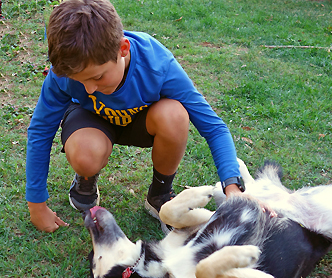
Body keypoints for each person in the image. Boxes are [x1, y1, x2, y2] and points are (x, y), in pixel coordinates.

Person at [26, 0, 245, 233]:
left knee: (175, 114)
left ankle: (159, 194)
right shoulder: (64, 74)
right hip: (91, 118)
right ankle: (85, 179)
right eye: (80, 81)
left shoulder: (157, 64)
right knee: (85, 154)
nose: (89, 88)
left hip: (141, 120)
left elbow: (213, 126)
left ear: (123, 49)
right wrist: (36, 205)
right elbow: (41, 130)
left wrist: (232, 188)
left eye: (98, 77)